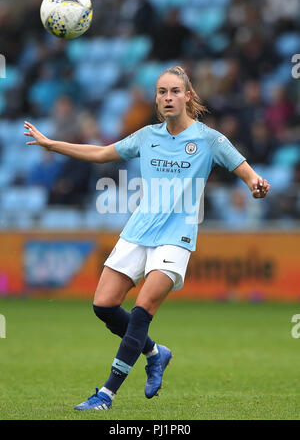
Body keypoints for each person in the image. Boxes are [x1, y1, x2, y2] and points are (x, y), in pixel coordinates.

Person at [24, 66, 270, 411]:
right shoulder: (146, 136)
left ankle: (105, 395)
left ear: (187, 96)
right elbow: (100, 153)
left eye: (174, 91)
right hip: (138, 231)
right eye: (161, 92)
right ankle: (156, 353)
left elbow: (247, 173)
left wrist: (256, 185)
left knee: (141, 311)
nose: (167, 98)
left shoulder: (209, 140)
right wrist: (53, 145)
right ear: (156, 99)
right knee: (104, 305)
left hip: (176, 237)